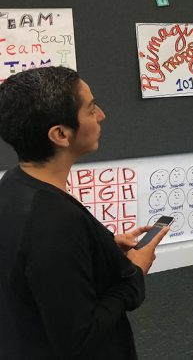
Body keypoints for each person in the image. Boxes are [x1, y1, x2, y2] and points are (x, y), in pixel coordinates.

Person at [0, 67, 168, 359]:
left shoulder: (14, 183)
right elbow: (80, 338)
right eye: (90, 109)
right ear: (61, 134)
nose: (101, 115)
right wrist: (135, 273)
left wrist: (100, 248)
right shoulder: (54, 222)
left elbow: (33, 265)